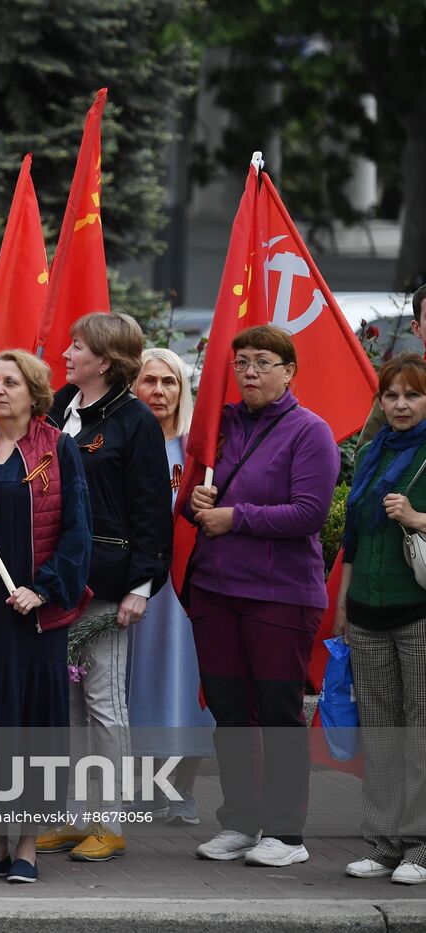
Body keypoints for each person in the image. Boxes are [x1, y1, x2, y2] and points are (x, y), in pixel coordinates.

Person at [184, 324, 338, 868]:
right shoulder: (219, 427)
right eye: (242, 362)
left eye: (263, 362)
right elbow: (190, 505)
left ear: (289, 370)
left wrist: (236, 516)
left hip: (280, 595)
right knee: (229, 712)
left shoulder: (309, 431)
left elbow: (309, 513)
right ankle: (240, 823)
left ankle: (286, 834)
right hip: (214, 591)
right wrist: (196, 498)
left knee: (278, 712)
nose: (250, 372)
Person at [0, 349, 91, 885]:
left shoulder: (59, 450)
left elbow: (77, 533)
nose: (0, 390)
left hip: (32, 613)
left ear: (34, 392)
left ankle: (27, 847)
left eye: (11, 382)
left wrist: (44, 590)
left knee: (27, 724)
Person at [37, 312, 170, 862]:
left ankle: (109, 822)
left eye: (78, 346)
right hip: (60, 581)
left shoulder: (134, 420)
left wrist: (142, 583)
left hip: (109, 585)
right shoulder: (61, 408)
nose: (67, 353)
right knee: (66, 704)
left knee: (104, 703)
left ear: (106, 362)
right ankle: (74, 817)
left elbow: (150, 509)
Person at [335, 353, 426, 886]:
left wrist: (416, 518)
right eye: (391, 395)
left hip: (417, 612)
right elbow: (351, 538)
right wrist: (344, 604)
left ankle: (420, 846)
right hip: (367, 612)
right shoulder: (370, 453)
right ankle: (385, 843)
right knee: (382, 730)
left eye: (412, 395)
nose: (400, 405)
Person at [127, 348, 215, 826]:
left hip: (186, 589)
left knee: (187, 686)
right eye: (148, 381)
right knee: (136, 687)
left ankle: (182, 788)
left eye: (169, 382)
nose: (158, 391)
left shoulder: (198, 451)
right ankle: (142, 788)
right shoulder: (121, 442)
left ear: (183, 391)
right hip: (136, 588)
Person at [357, 283, 426, 451]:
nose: (401, 404)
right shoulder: (400, 378)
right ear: (417, 328)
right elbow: (364, 454)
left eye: (412, 396)